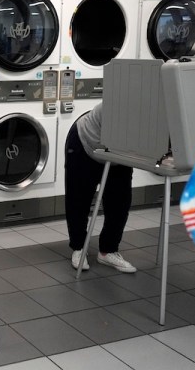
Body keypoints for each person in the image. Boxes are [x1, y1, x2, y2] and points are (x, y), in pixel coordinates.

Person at [65, 102, 137, 273]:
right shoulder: (123, 102)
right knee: (79, 199)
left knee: (120, 201)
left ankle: (108, 251)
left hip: (120, 151)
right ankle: (78, 248)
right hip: (85, 142)